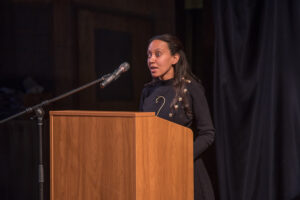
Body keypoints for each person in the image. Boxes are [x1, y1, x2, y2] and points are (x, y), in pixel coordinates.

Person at [139, 34, 215, 200]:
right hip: (154, 171)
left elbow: (207, 133)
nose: (151, 60)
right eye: (149, 55)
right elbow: (141, 131)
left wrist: (181, 156)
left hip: (184, 170)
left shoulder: (191, 88)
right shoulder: (147, 91)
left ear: (174, 58)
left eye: (158, 54)